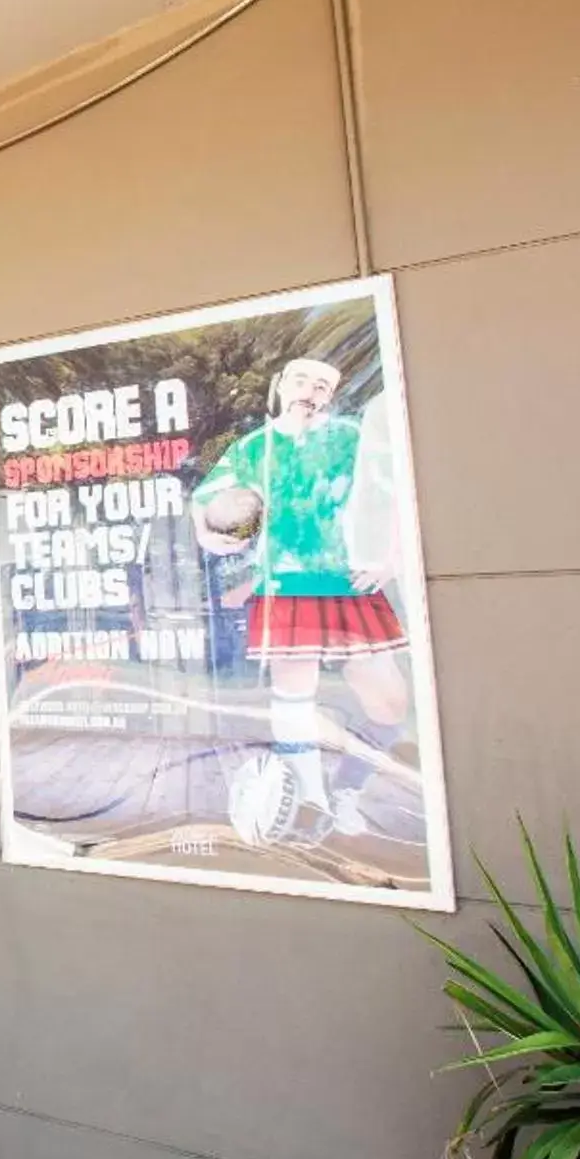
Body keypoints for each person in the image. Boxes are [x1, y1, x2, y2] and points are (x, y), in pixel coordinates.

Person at [193, 356, 412, 841]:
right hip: (286, 585)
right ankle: (313, 805)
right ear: (280, 385)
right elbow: (209, 508)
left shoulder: (352, 438)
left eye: (321, 385)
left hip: (347, 582)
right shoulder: (253, 449)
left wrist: (389, 560)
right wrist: (216, 534)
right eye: (301, 380)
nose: (309, 391)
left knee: (391, 703)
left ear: (331, 395)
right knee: (294, 697)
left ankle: (347, 790)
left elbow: (397, 494)